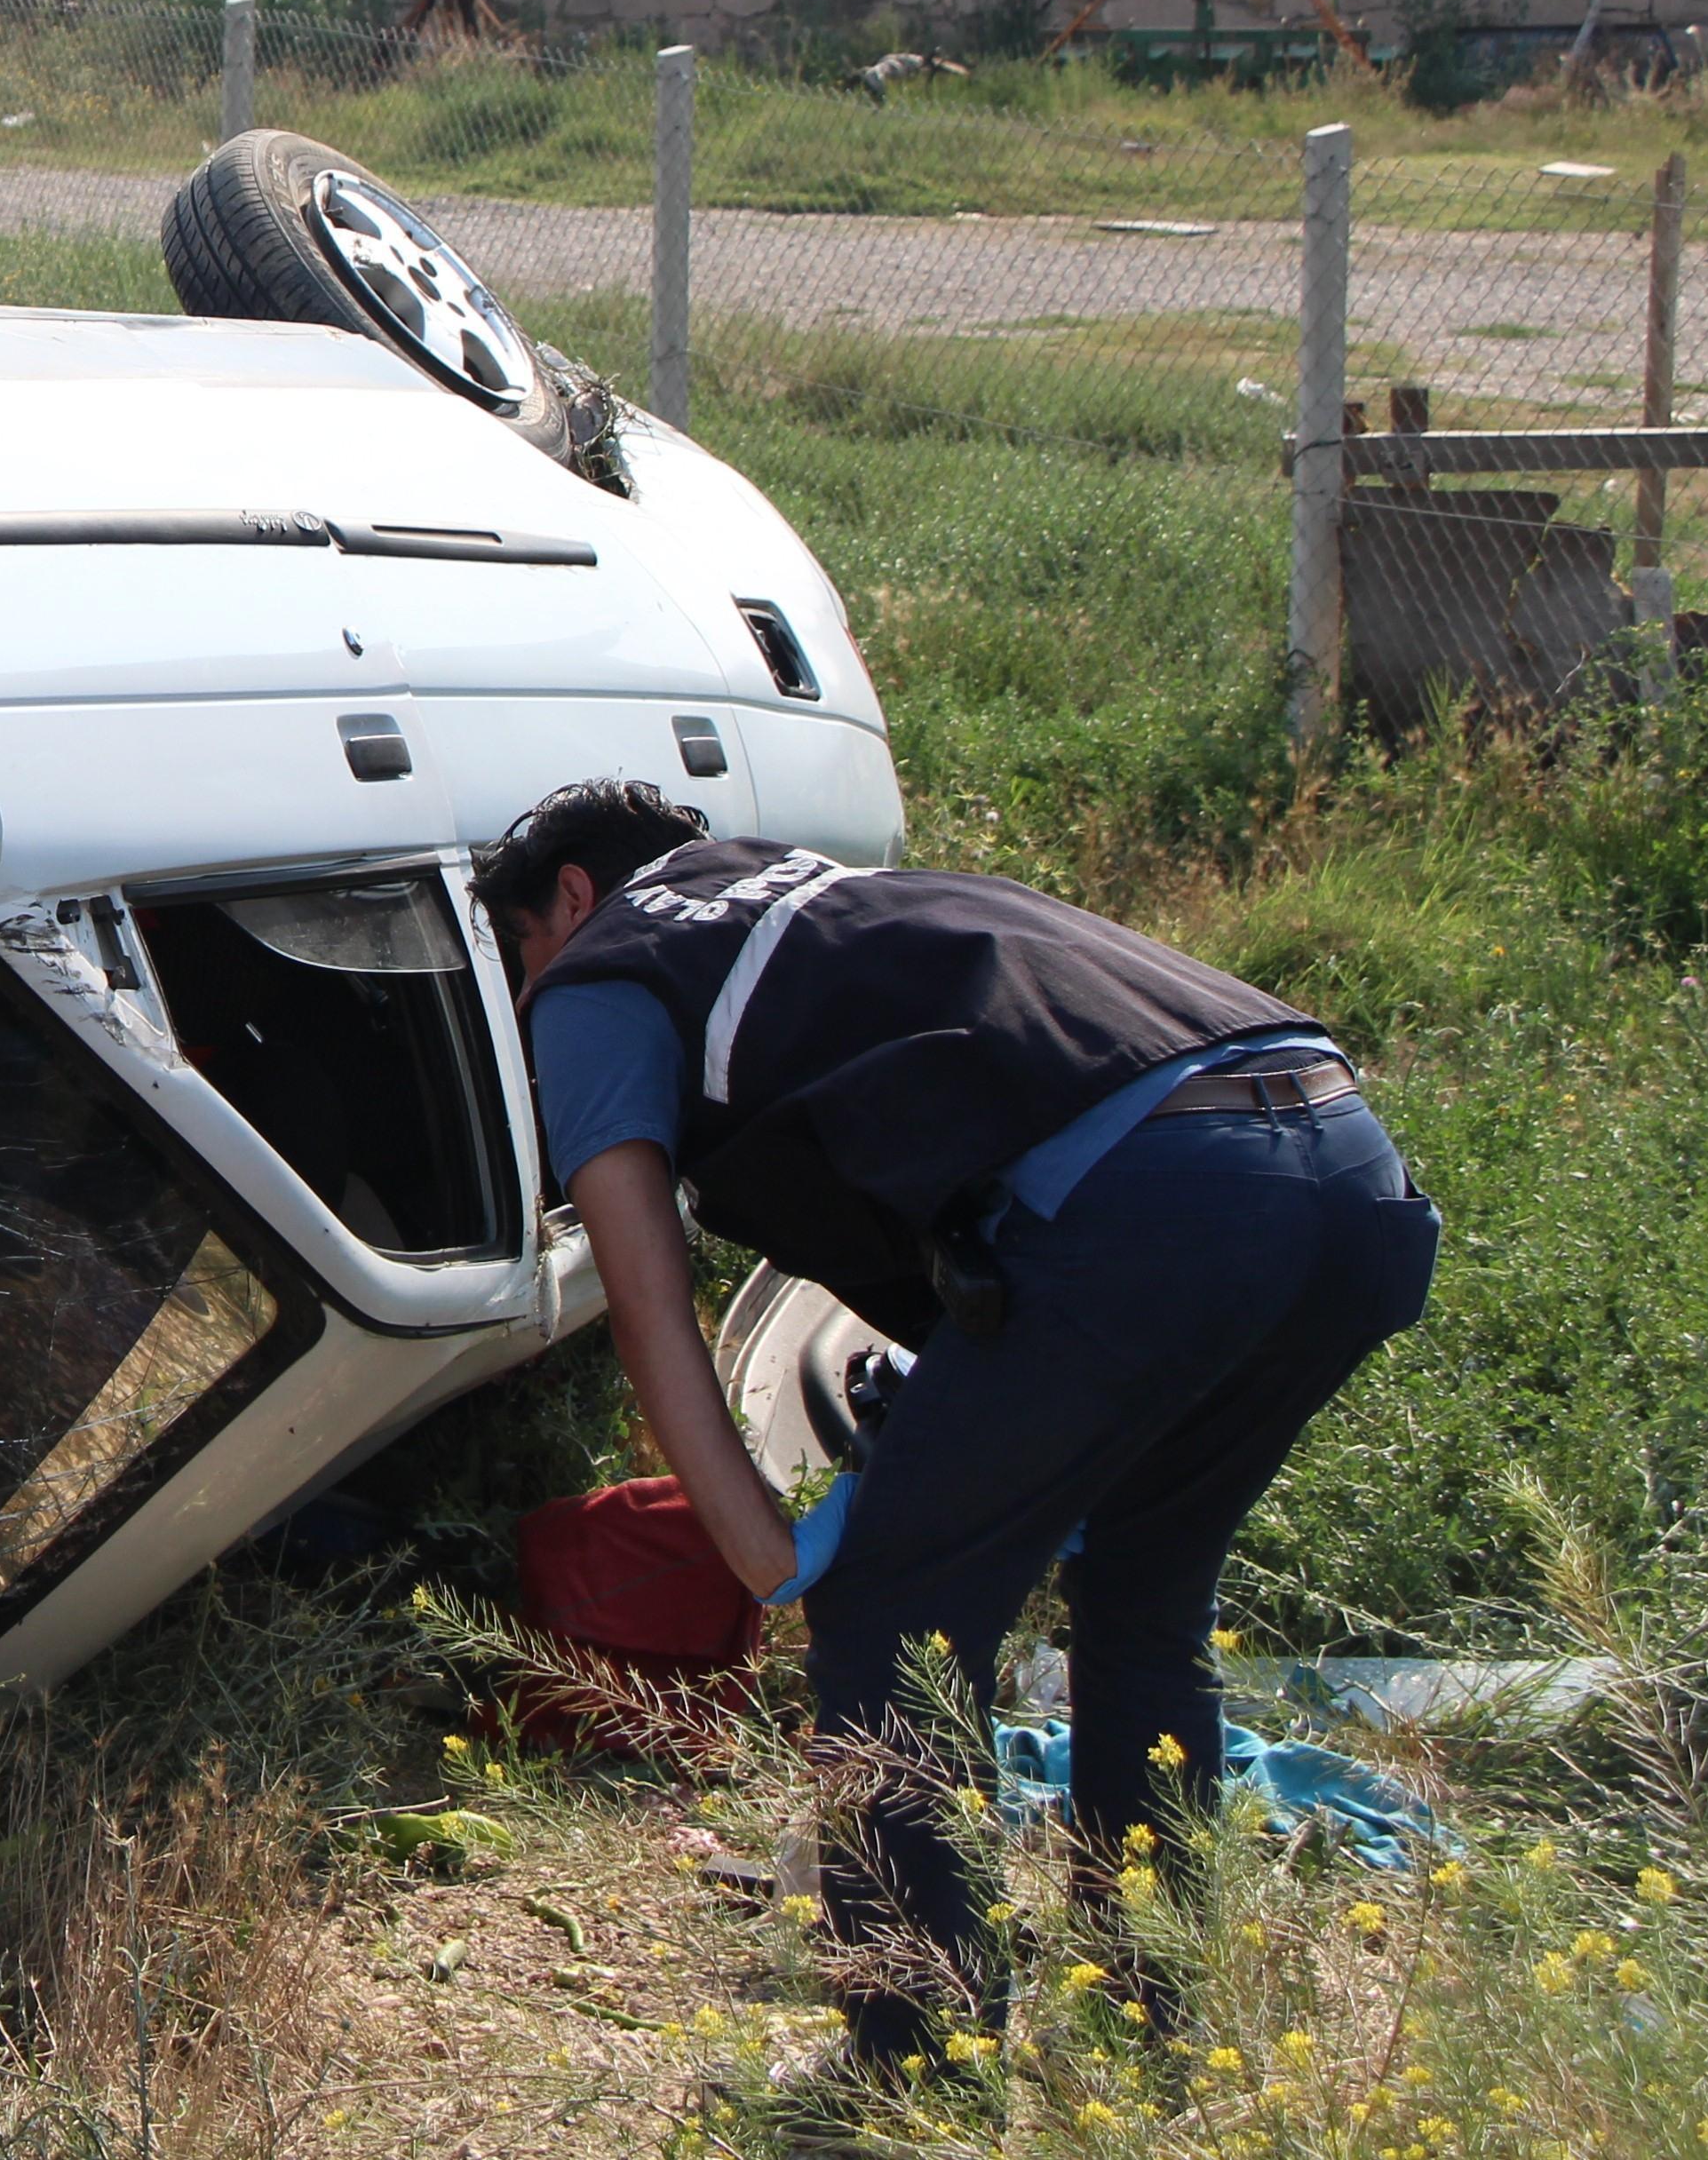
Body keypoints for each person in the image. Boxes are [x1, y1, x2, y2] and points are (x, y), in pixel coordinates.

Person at [473, 779, 1436, 2068]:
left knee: (887, 1622)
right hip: (1345, 1172)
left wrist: (769, 1556)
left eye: (518, 953)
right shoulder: (829, 900)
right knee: (1143, 1594)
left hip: (1163, 1207)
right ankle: (1154, 2019)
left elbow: (647, 1303)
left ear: (573, 901)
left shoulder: (604, 967)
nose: (530, 1002)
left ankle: (915, 2066)